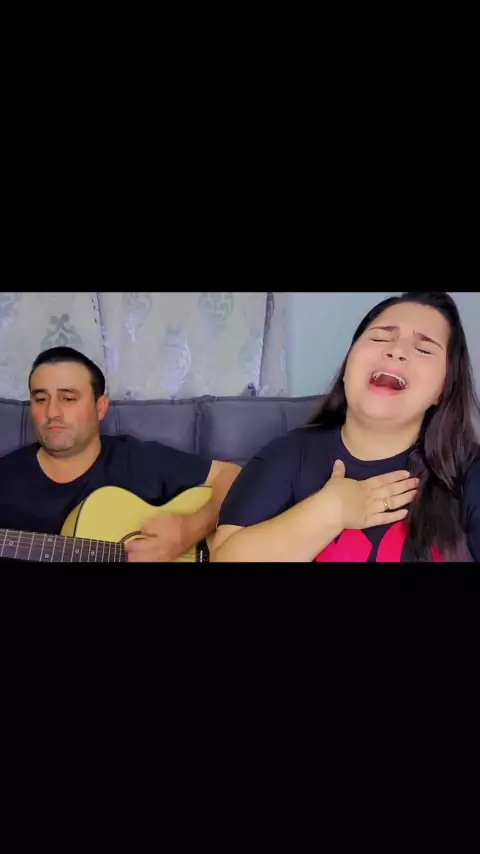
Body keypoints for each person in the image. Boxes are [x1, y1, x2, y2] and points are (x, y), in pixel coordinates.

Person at [211, 292, 480, 563]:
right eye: (380, 338)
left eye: (423, 349)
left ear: (443, 390)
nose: (396, 351)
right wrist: (331, 511)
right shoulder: (286, 456)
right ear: (348, 363)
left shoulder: (470, 470)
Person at [0, 346, 240, 562]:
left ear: (100, 407)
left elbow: (232, 476)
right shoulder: (7, 480)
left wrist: (189, 530)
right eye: (41, 399)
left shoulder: (137, 459)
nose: (52, 412)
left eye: (68, 398)